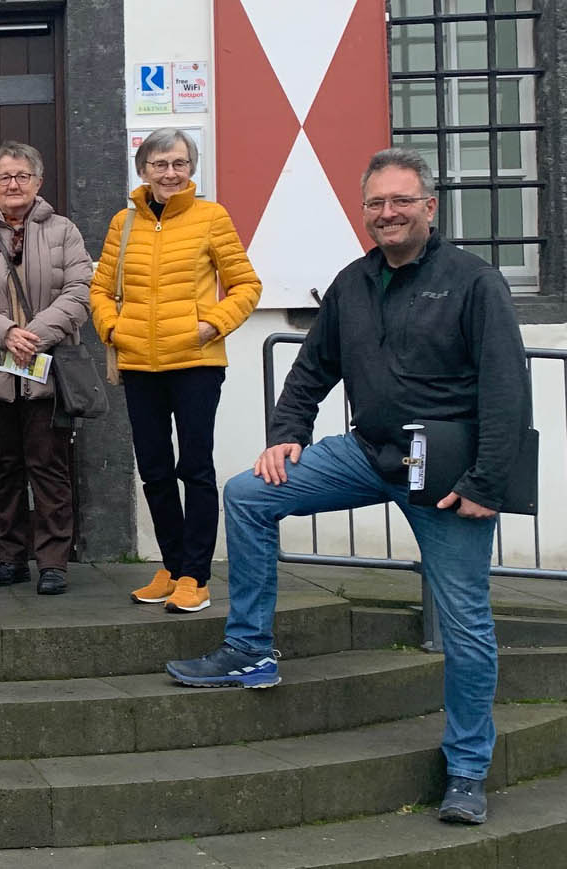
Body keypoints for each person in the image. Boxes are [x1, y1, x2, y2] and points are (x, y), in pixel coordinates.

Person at [166, 148, 532, 827]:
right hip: (369, 452)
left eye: (400, 201)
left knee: (467, 626)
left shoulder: (474, 282)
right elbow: (312, 367)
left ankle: (468, 769)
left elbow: (508, 389)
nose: (386, 213)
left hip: (449, 477)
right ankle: (250, 651)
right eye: (375, 204)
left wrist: (488, 481)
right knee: (250, 494)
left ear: (430, 206)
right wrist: (287, 431)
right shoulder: (354, 282)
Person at [90, 127, 261, 613]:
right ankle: (171, 564)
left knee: (196, 469)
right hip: (140, 364)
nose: (170, 173)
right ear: (143, 169)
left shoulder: (212, 218)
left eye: (180, 163)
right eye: (160, 164)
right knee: (155, 471)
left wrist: (214, 323)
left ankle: (196, 576)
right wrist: (112, 329)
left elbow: (246, 286)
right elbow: (99, 289)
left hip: (195, 365)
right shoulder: (123, 223)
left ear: (192, 169)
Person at [0, 141, 92, 595]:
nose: (13, 184)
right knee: (5, 467)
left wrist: (35, 334)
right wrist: (5, 332)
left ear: (38, 182)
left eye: (22, 175)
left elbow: (80, 290)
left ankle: (52, 563)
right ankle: (12, 558)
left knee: (49, 467)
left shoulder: (65, 231)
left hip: (46, 372)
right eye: (4, 176)